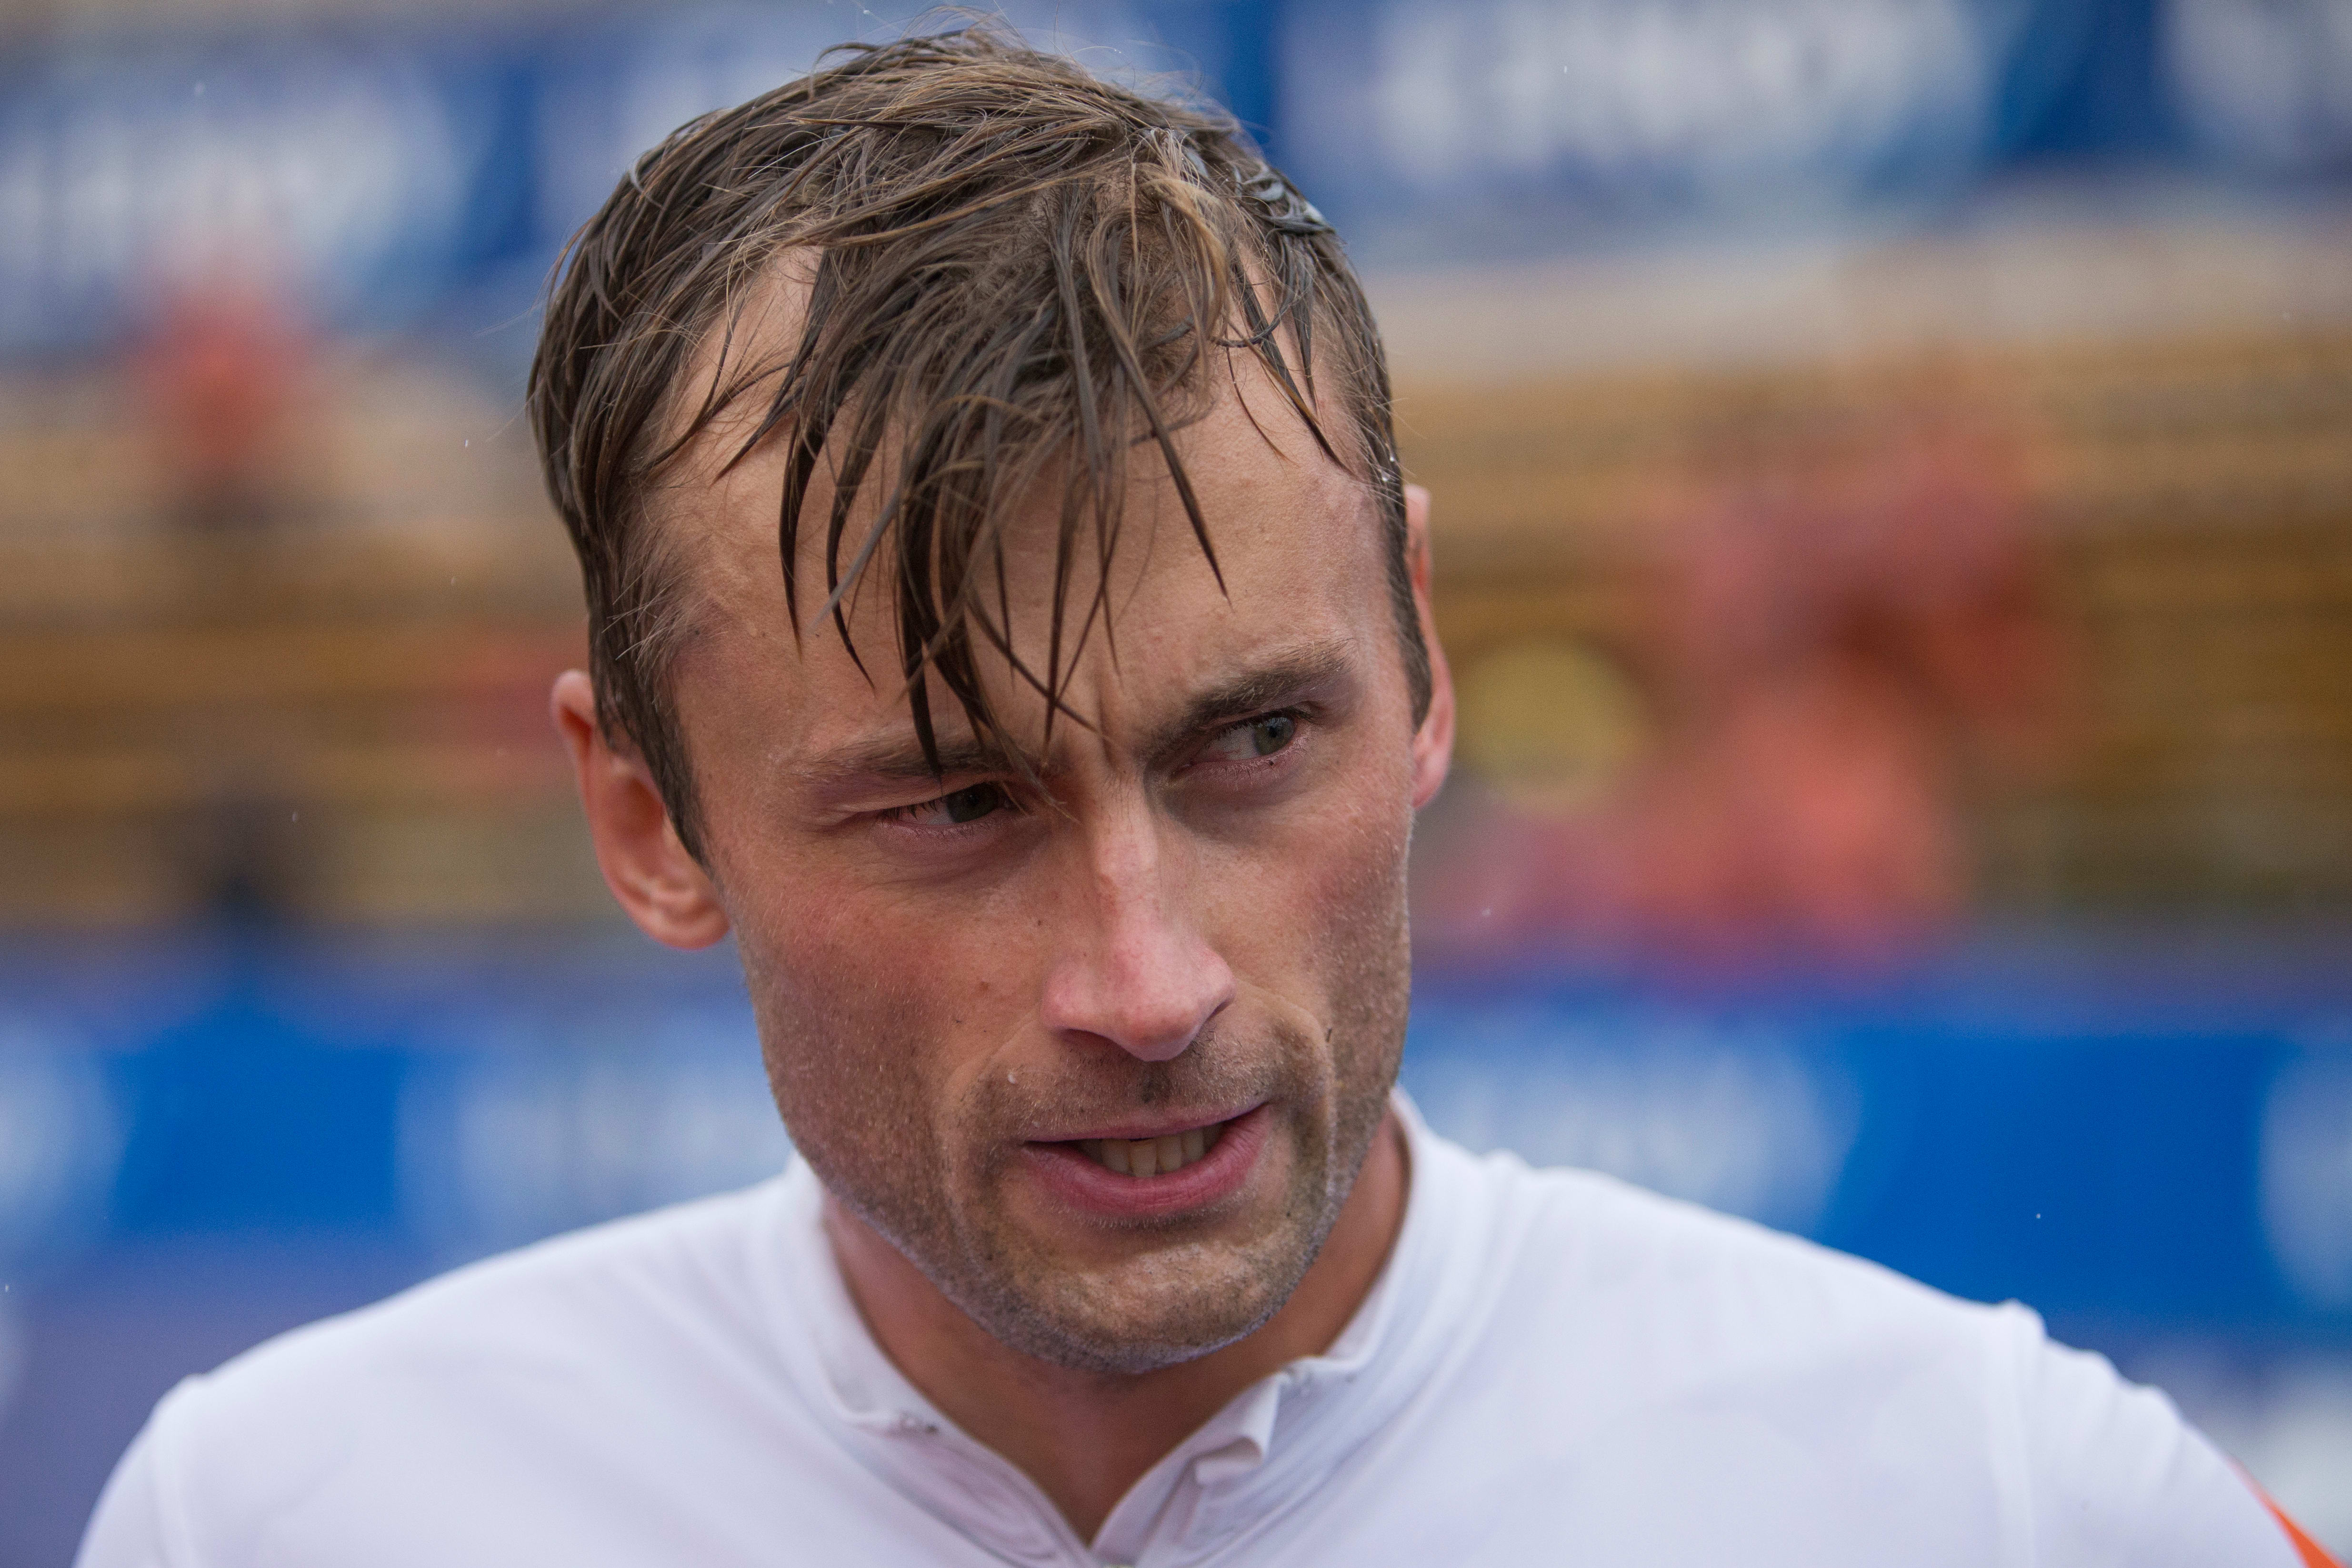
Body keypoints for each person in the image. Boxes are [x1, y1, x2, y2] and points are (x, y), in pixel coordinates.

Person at [77, 30, 2332, 1568]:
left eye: (1252, 742)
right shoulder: (285, 1514)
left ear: (1419, 656)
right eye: (954, 802)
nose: (1146, 983)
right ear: (651, 819)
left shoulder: (1984, 1499)